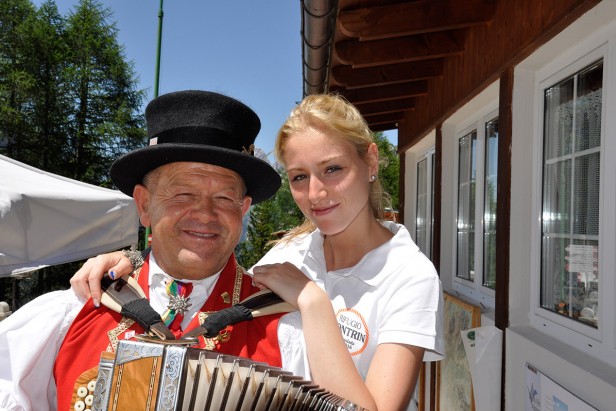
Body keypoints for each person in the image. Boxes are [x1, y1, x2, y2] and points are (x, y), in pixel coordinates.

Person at [71, 93, 444, 411]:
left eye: (333, 169)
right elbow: (210, 271)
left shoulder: (410, 275)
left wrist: (313, 303)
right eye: (299, 176)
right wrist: (133, 268)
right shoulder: (291, 252)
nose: (315, 194)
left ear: (371, 161)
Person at [0, 90, 285, 411]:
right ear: (144, 205)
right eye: (183, 193)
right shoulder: (65, 318)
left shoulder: (289, 333)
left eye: (223, 197)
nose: (205, 214)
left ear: (243, 209)